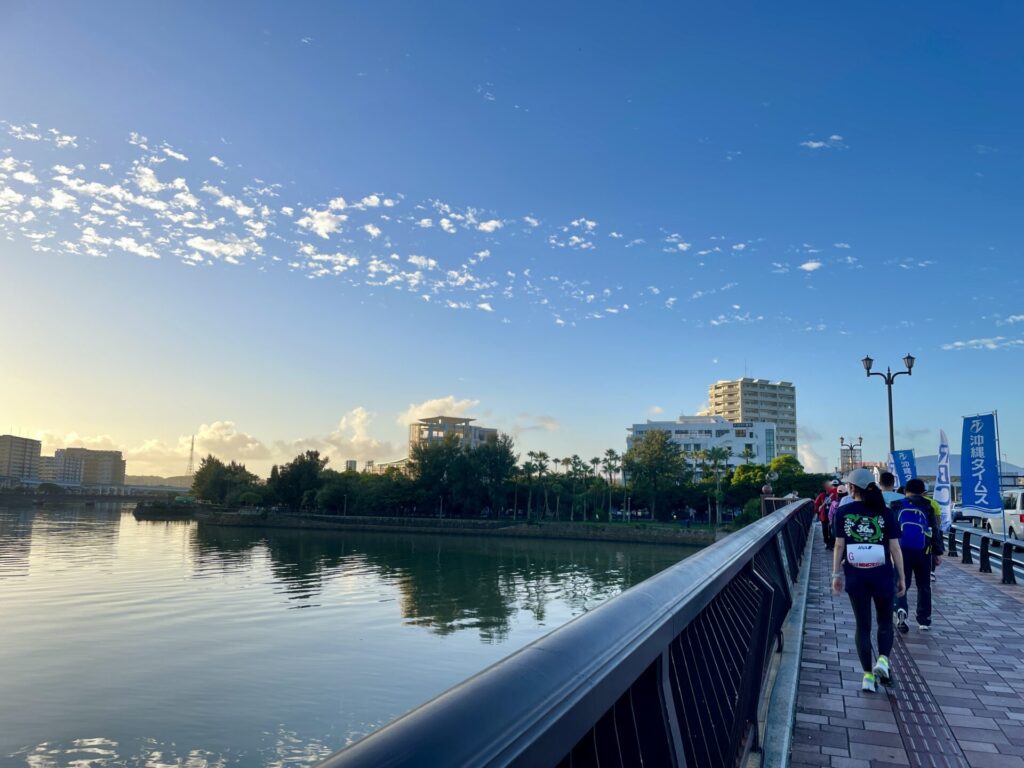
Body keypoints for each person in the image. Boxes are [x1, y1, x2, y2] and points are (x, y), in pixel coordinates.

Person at [832, 468, 906, 692]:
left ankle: (867, 676)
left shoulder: (844, 512)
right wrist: (901, 576)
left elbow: (838, 545)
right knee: (885, 622)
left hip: (856, 575)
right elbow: (895, 548)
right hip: (882, 573)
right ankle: (883, 660)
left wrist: (836, 574)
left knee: (862, 626)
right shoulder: (885, 513)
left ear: (852, 488)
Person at [893, 478, 943, 632]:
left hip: (901, 552)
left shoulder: (897, 505)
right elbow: (935, 530)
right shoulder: (928, 505)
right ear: (923, 492)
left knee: (902, 583)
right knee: (923, 585)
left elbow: (890, 530)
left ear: (906, 490)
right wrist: (937, 552)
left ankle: (901, 610)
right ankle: (924, 619)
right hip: (923, 552)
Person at [815, 480, 838, 549]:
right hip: (824, 516)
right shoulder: (822, 495)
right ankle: (826, 542)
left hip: (833, 516)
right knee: (825, 530)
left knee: (832, 530)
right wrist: (818, 512)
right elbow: (816, 504)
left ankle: (831, 544)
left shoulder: (836, 495)